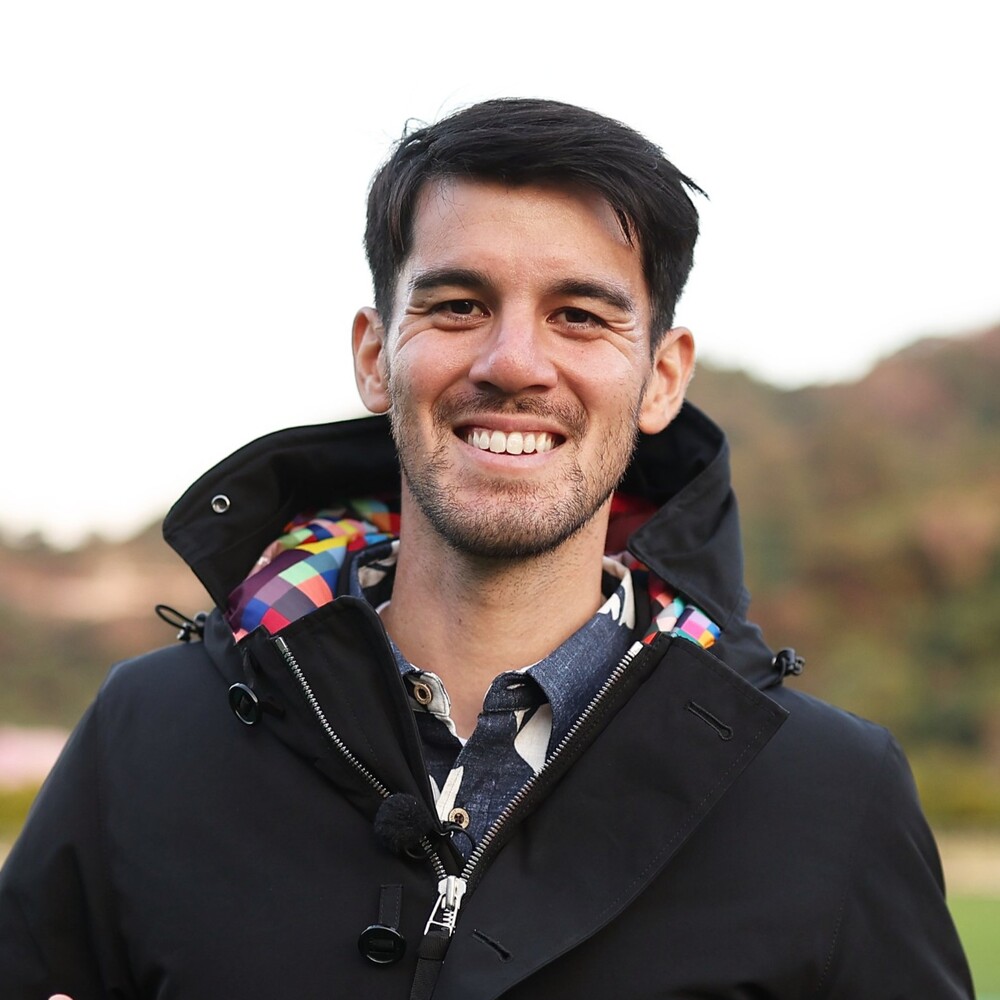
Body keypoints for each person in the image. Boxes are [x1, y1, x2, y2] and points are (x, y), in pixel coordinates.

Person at [0, 98, 973, 999]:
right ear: (375, 354)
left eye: (579, 315)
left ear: (662, 377)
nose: (513, 363)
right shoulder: (145, 736)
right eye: (459, 305)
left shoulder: (829, 793)